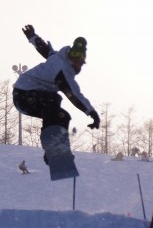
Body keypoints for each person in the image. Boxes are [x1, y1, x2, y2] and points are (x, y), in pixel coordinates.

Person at [13, 24, 100, 162]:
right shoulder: (63, 70)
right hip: (25, 95)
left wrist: (33, 37)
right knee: (54, 100)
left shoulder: (58, 57)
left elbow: (46, 50)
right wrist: (92, 113)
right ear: (73, 60)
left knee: (63, 116)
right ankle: (52, 148)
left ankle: (58, 150)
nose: (79, 68)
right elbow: (74, 95)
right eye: (78, 64)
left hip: (26, 96)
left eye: (82, 64)